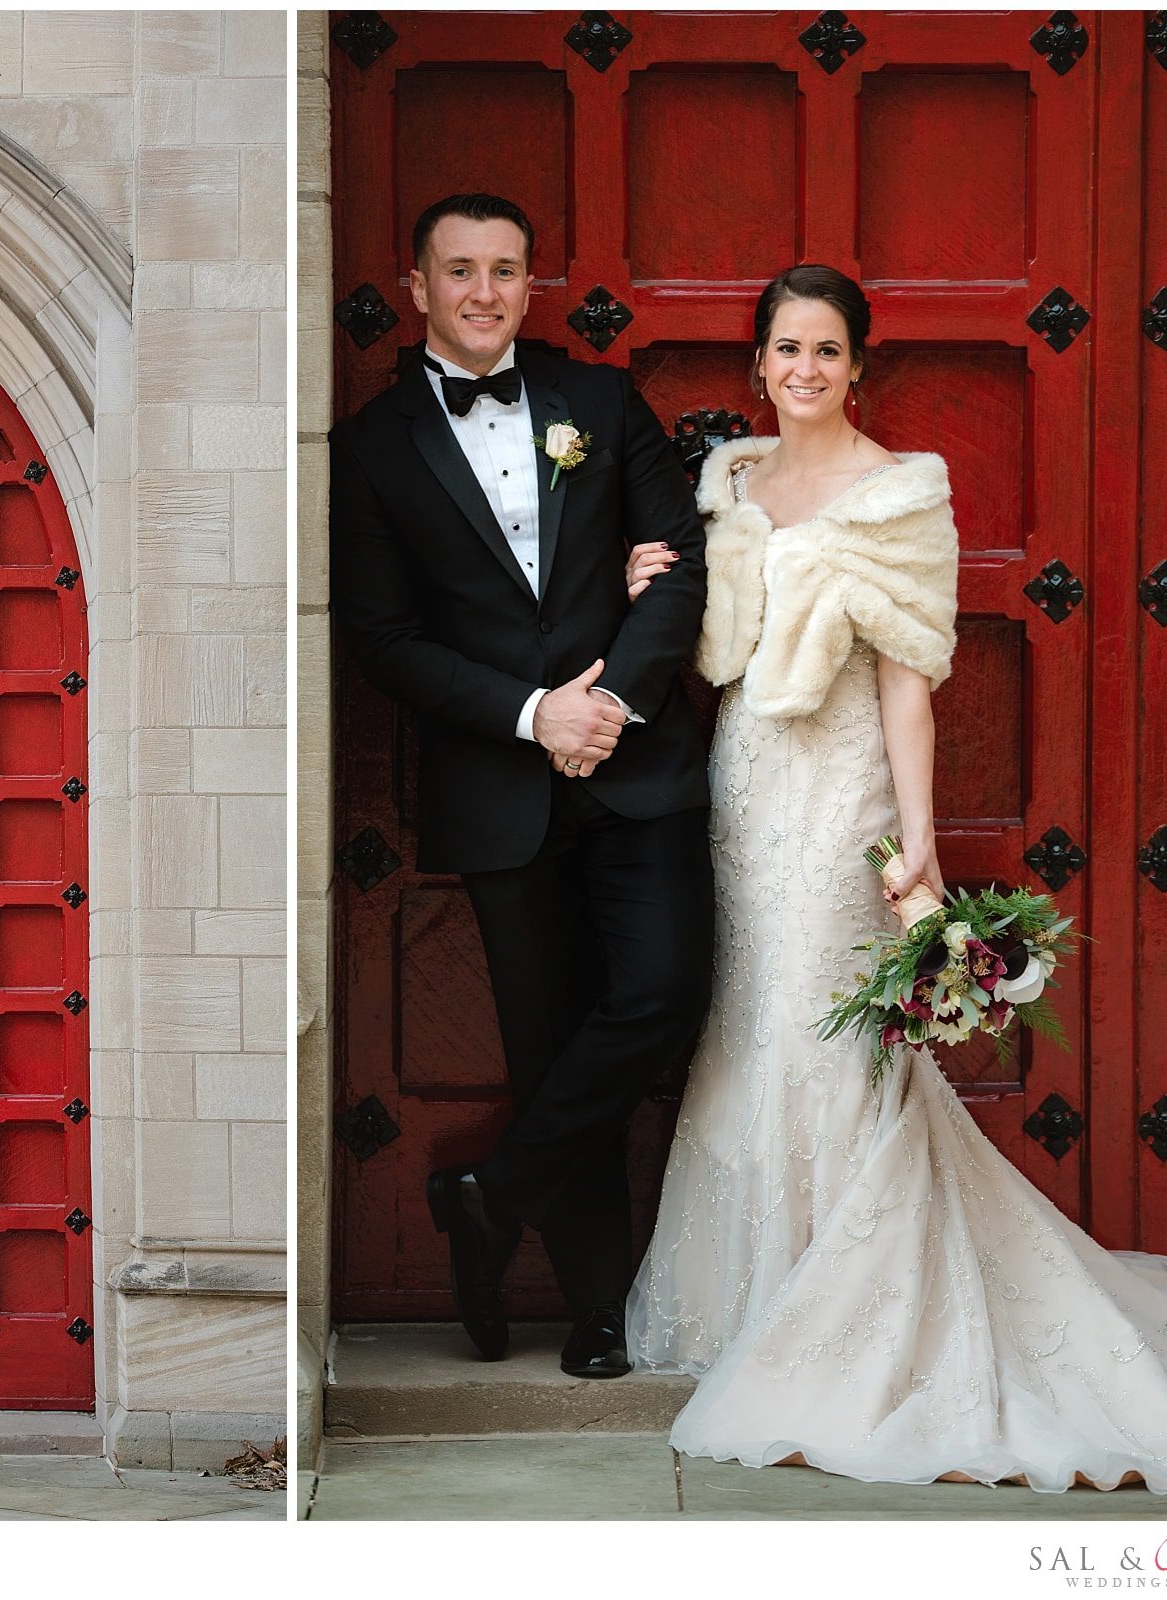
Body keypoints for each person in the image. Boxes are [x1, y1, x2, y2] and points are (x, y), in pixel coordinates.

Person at [624, 263, 1167, 1492]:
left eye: (825, 350)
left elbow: (904, 683)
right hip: (741, 787)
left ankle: (843, 1311)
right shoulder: (725, 485)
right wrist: (646, 585)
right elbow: (708, 648)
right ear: (758, 364)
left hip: (840, 801)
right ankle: (748, 1300)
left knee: (825, 1034)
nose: (803, 371)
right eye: (784, 349)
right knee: (748, 1025)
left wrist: (917, 839)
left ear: (856, 365)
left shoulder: (896, 496)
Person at [330, 192, 713, 1378]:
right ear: (416, 286)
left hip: (636, 765)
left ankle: (488, 1197)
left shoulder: (596, 401)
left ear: (528, 281)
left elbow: (682, 561)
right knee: (550, 1048)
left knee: (662, 992)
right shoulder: (370, 446)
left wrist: (607, 706)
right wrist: (528, 713)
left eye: (503, 269)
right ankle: (595, 1309)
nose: (483, 292)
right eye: (459, 271)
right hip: (498, 789)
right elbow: (383, 639)